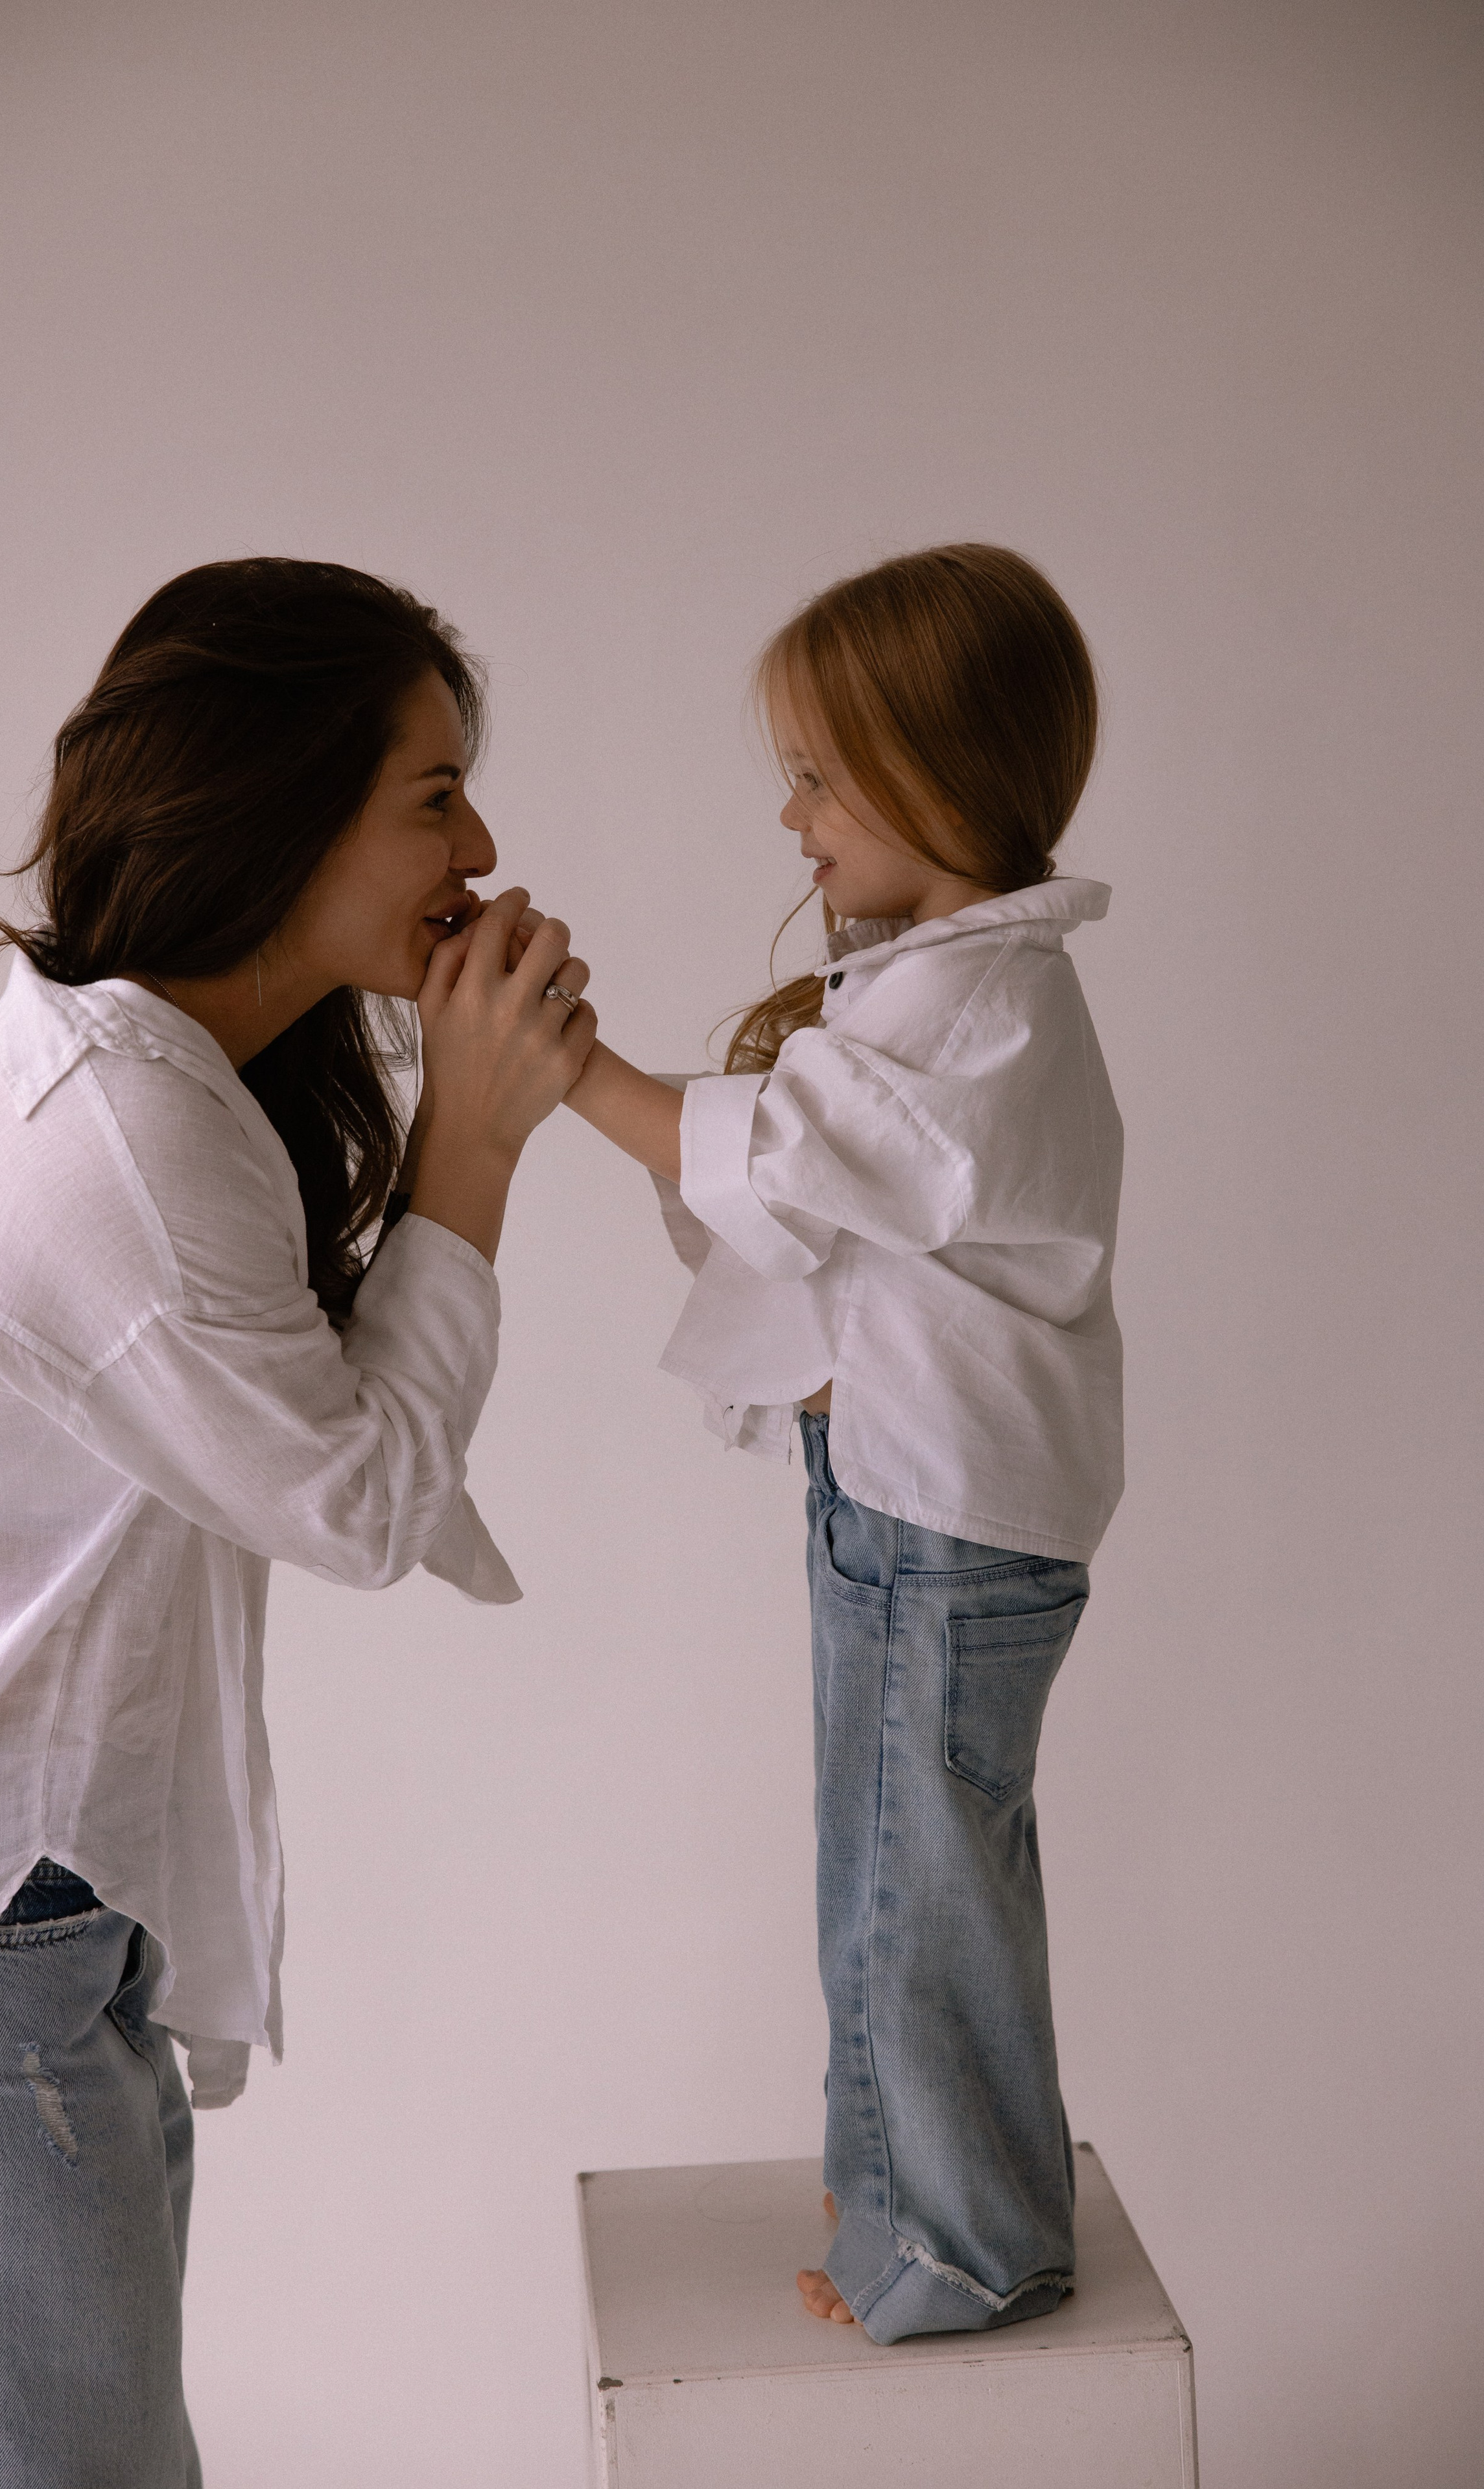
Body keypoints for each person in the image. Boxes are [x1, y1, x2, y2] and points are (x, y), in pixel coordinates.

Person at [0, 558, 595, 2484]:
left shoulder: (164, 1090)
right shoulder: (127, 1139)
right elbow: (357, 1500)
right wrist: (477, 1143)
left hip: (28, 1945)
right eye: (432, 793)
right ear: (279, 805)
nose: (482, 841)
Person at [562, 544, 1124, 2342]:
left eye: (817, 772)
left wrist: (561, 1062)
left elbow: (782, 1166)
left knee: (913, 1877)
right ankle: (914, 2192)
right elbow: (785, 1202)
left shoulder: (976, 1007)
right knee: (908, 1864)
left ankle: (954, 2243)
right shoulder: (936, 993)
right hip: (902, 1500)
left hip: (933, 1515)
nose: (790, 815)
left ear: (935, 778)